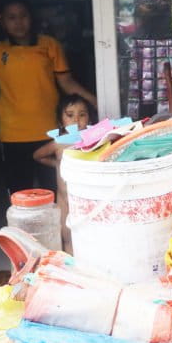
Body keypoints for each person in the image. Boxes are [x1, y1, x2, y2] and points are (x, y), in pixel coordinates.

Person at [0, 0, 96, 195]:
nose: (18, 22)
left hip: (50, 131)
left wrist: (95, 100)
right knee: (20, 194)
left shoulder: (49, 45)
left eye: (23, 16)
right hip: (13, 134)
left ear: (31, 18)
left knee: (55, 192)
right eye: (11, 18)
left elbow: (67, 82)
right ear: (2, 23)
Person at [34, 93, 97, 253]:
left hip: (86, 199)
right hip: (64, 200)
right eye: (70, 115)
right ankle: (71, 270)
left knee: (89, 236)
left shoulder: (95, 141)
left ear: (89, 119)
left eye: (82, 115)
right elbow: (38, 155)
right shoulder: (59, 143)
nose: (76, 120)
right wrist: (57, 163)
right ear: (61, 121)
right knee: (67, 237)